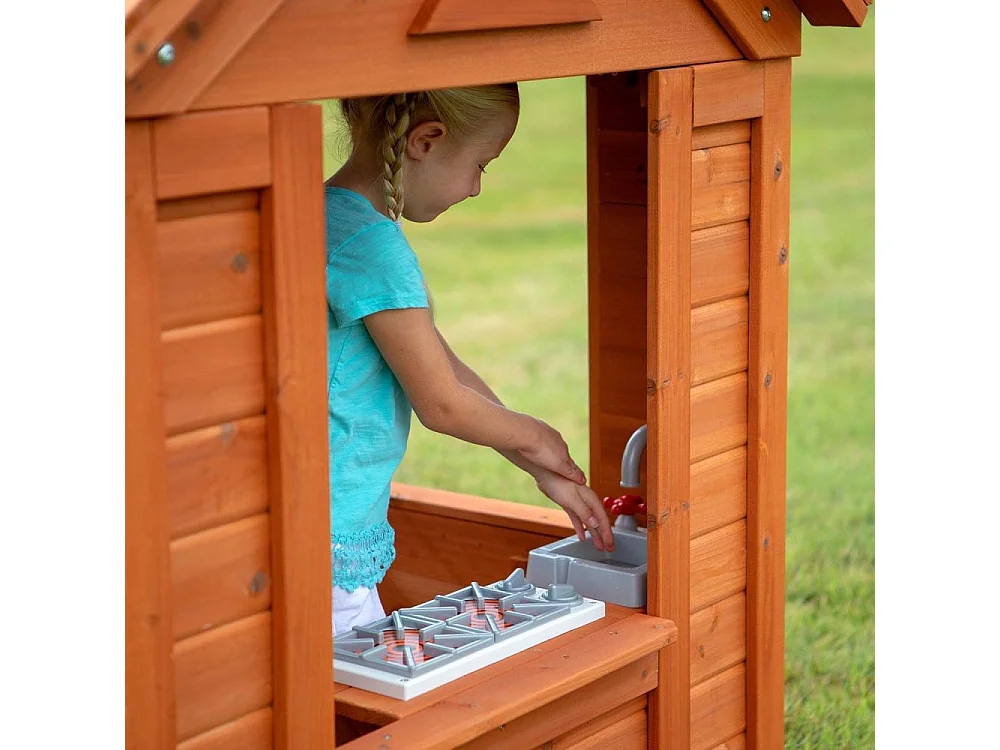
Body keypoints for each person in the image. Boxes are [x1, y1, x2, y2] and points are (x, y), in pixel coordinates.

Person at [325, 85, 614, 638]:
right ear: (425, 142)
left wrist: (534, 465)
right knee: (361, 701)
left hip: (310, 526)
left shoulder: (326, 216)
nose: (478, 187)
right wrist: (535, 436)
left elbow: (443, 366)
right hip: (331, 538)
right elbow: (442, 403)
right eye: (481, 164)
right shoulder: (373, 246)